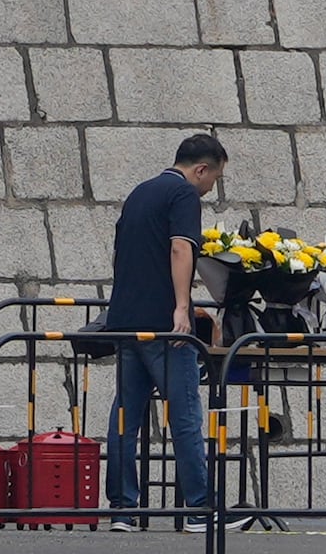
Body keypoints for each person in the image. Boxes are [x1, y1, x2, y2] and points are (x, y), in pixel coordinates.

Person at [104, 133, 244, 532]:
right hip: (165, 326)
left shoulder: (139, 193)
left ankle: (122, 510)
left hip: (125, 321)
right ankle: (200, 509)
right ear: (200, 169)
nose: (210, 187)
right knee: (184, 414)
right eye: (213, 179)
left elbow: (121, 254)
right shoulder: (182, 195)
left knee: (124, 419)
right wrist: (182, 307)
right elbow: (181, 249)